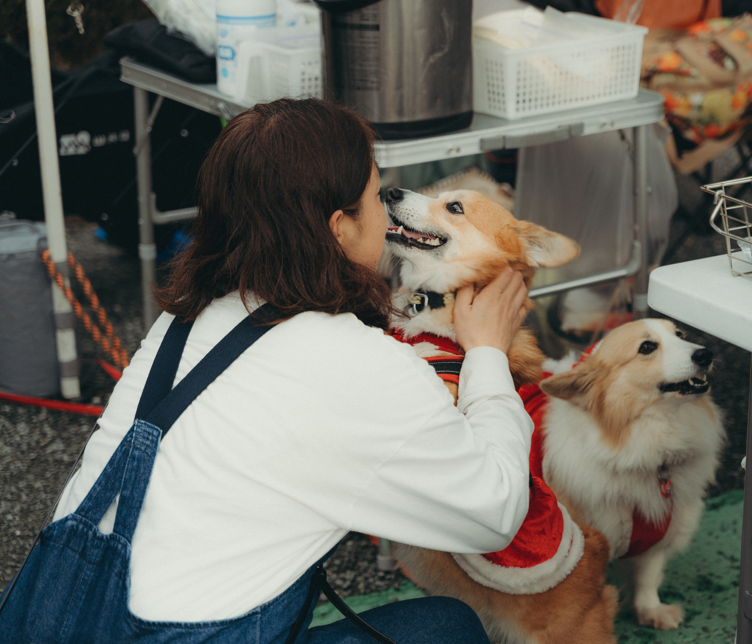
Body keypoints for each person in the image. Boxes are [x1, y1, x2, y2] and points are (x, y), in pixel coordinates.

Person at [46, 98, 533, 642]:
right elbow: (496, 510)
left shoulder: (181, 322)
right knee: (446, 629)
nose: (387, 207)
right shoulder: (355, 364)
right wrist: (488, 354)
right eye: (375, 196)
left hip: (67, 612)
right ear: (339, 229)